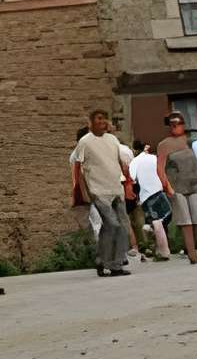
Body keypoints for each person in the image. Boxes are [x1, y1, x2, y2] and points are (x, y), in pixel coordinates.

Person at [74, 109, 132, 277]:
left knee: (122, 226)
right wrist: (83, 191)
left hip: (115, 188)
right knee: (112, 224)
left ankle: (114, 263)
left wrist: (126, 184)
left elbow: (119, 162)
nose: (102, 122)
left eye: (105, 119)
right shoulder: (85, 142)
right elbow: (78, 167)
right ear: (91, 122)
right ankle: (105, 260)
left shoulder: (112, 139)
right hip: (98, 190)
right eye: (99, 119)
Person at [157, 113, 197, 264]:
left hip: (194, 183)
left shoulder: (189, 140)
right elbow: (160, 168)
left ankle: (190, 248)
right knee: (185, 221)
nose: (176, 126)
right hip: (177, 186)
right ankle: (192, 254)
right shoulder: (164, 144)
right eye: (173, 124)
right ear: (169, 126)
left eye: (179, 123)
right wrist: (167, 187)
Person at [130, 137, 174, 259]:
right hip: (159, 191)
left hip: (147, 195)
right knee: (166, 216)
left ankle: (161, 249)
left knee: (156, 222)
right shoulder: (154, 158)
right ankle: (163, 247)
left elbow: (132, 179)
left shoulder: (134, 162)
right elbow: (162, 172)